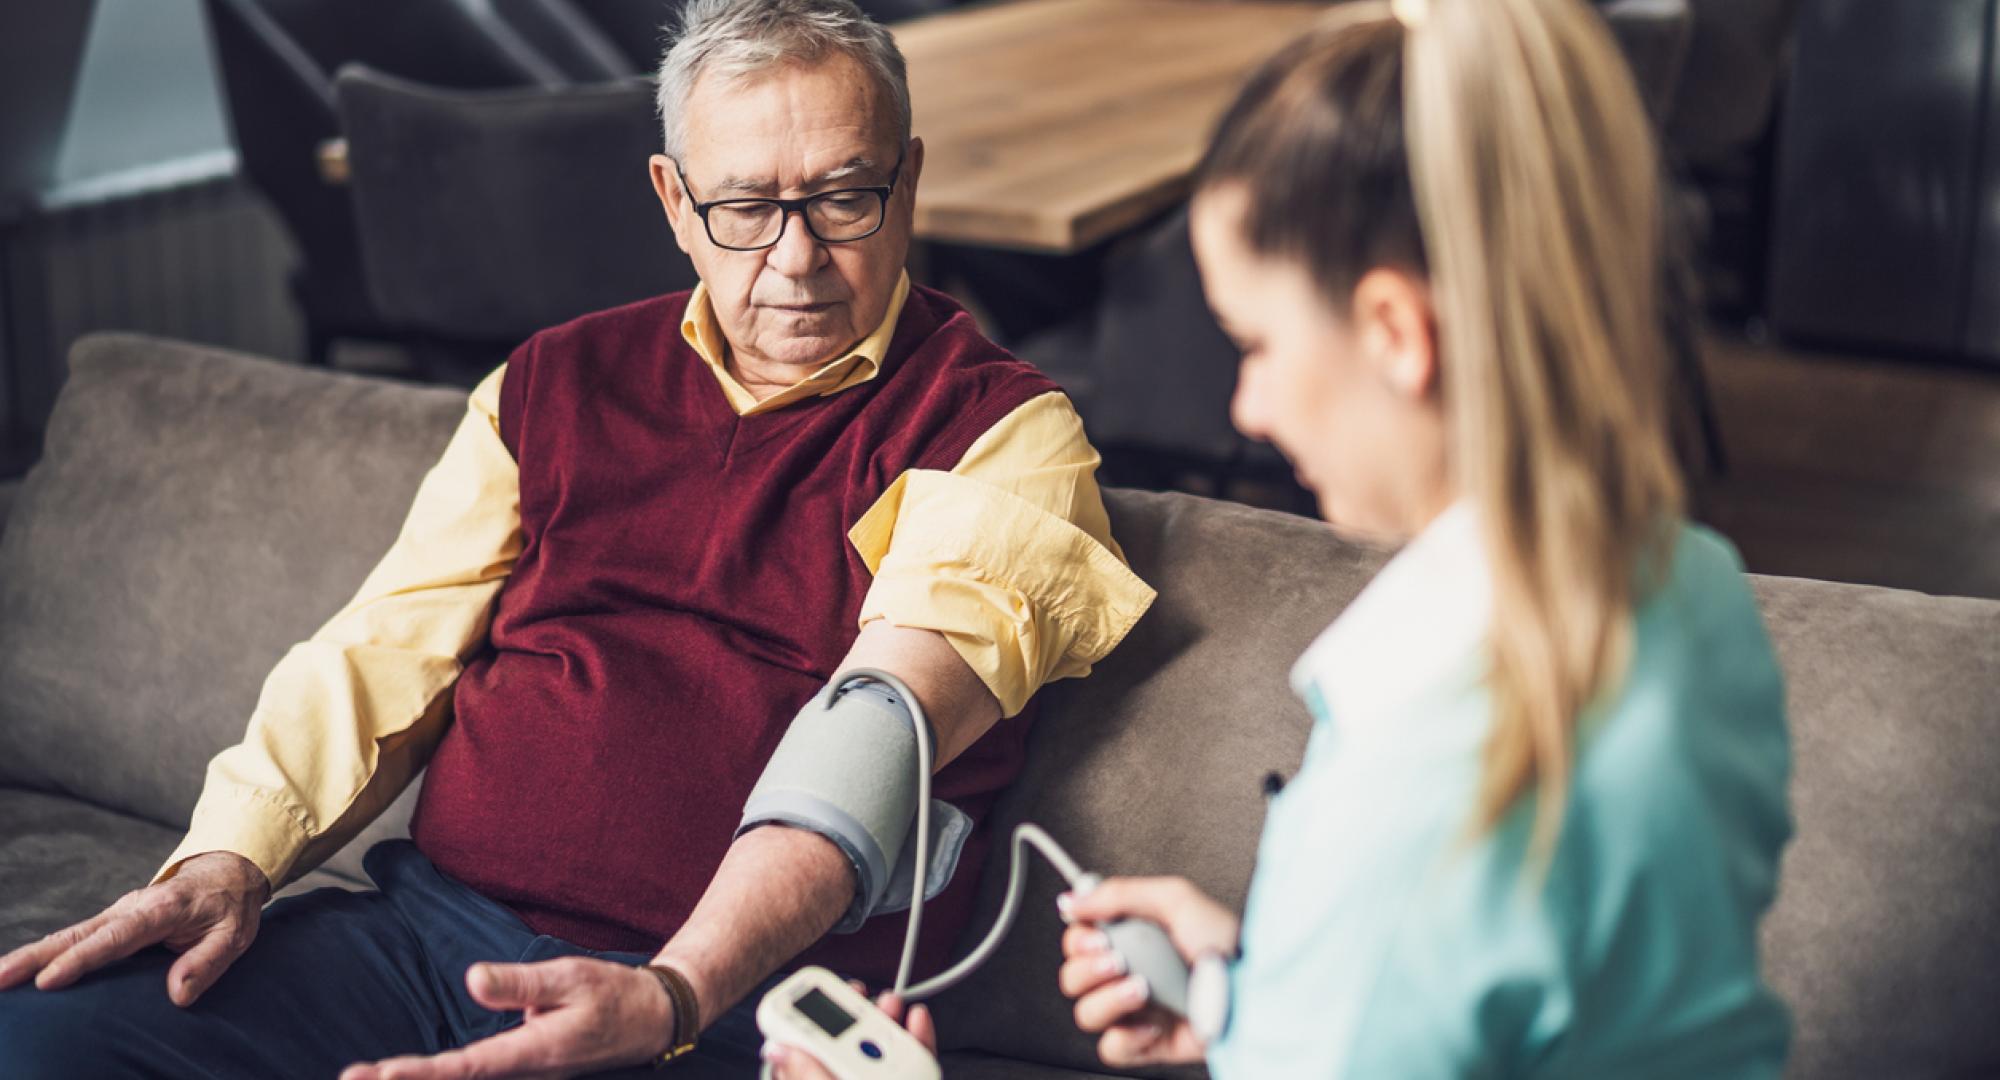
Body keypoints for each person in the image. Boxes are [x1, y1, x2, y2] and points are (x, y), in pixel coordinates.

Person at [0, 0, 1153, 1076]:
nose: (794, 259)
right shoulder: (550, 382)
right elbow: (381, 651)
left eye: (843, 198)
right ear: (672, 202)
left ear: (906, 185)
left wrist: (673, 993)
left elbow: (875, 737)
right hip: (430, 938)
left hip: (743, 1006)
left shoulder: (1002, 432)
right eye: (744, 209)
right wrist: (227, 859)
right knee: (38, 1043)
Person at [1043, 0, 1793, 1076]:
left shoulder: (1426, 773)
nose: (1245, 407)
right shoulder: (1701, 591)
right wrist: (1256, 995)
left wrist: (1298, 997)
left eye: (1253, 344)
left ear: (1395, 333)